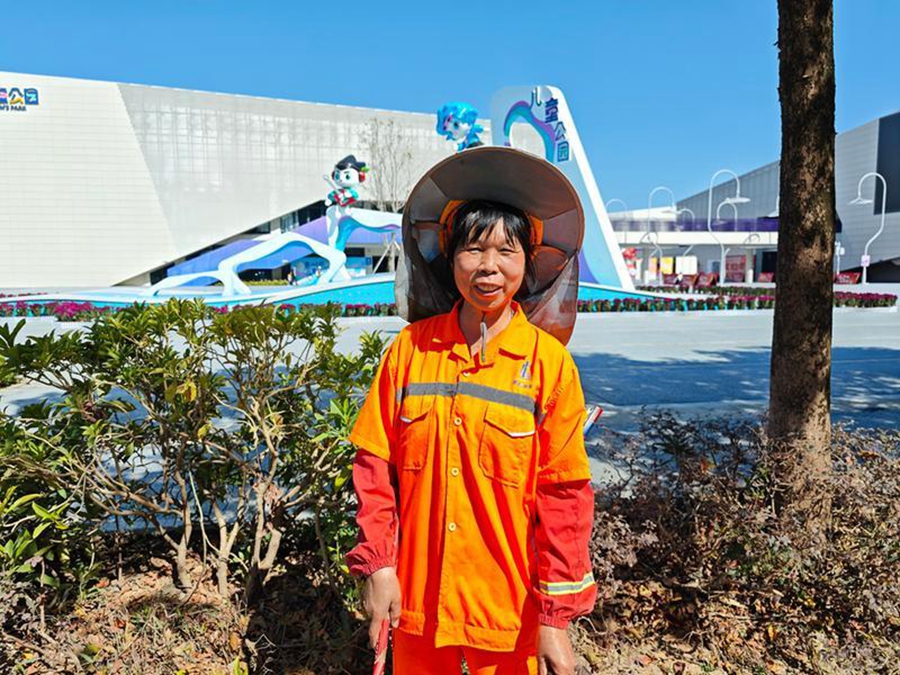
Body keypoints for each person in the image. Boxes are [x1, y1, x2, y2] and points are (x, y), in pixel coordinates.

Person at [346, 147, 596, 675]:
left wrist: (555, 618)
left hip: (509, 609)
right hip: (415, 603)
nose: (488, 267)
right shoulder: (409, 351)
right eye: (473, 249)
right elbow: (374, 469)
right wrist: (380, 566)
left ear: (528, 262)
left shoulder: (549, 366)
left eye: (506, 250)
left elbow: (564, 498)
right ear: (449, 257)